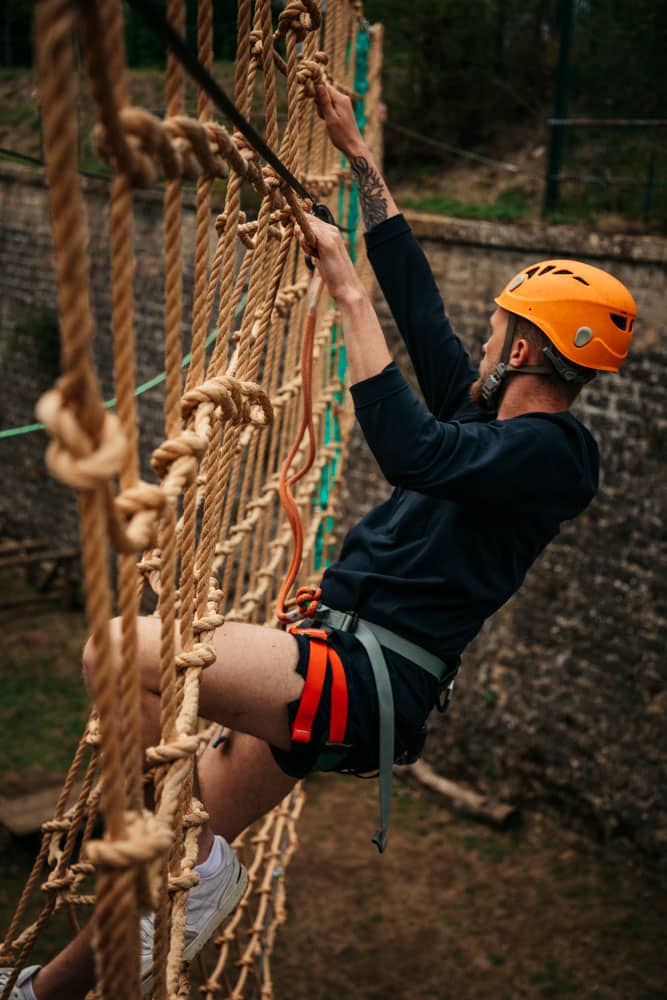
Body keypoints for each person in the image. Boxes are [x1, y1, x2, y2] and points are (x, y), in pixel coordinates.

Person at [0, 84, 637, 1000]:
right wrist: (359, 164)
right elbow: (421, 313)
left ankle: (201, 870)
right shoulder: (497, 417)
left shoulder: (551, 456)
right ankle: (42, 995)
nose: (484, 333)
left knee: (118, 649)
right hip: (336, 661)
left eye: (502, 325)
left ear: (531, 352)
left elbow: (411, 452)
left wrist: (341, 286)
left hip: (362, 680)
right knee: (163, 872)